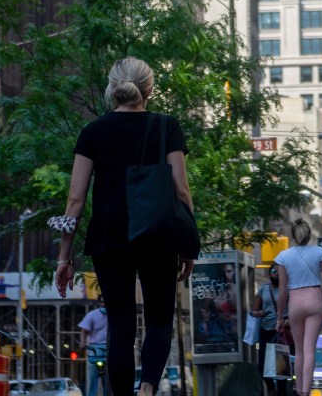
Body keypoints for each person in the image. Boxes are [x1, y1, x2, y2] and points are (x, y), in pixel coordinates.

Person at [52, 58, 199, 396]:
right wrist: (188, 243)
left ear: (112, 88)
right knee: (160, 320)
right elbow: (181, 189)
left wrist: (64, 257)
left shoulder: (93, 132)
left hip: (109, 236)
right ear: (149, 90)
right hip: (158, 236)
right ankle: (147, 387)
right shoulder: (167, 126)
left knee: (120, 323)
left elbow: (75, 201)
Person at [274, 218, 322, 396]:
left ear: (293, 236)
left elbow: (282, 290)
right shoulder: (319, 252)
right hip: (315, 299)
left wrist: (278, 317)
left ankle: (300, 392)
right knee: (309, 350)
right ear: (309, 234)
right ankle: (306, 391)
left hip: (295, 302)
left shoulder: (283, 256)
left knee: (298, 351)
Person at [251, 269, 280, 393]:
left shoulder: (287, 289)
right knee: (262, 367)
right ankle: (272, 387)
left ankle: (281, 392)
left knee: (281, 369)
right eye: (274, 270)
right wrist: (259, 313)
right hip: (266, 331)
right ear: (269, 274)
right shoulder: (263, 289)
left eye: (279, 271)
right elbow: (253, 311)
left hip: (280, 331)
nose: (277, 273)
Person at [79, 297, 110, 396]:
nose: (104, 304)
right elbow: (83, 330)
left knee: (110, 374)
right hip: (95, 348)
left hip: (109, 347)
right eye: (102, 302)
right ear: (99, 303)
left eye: (106, 302)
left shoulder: (114, 314)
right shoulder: (92, 315)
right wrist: (82, 343)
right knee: (92, 372)